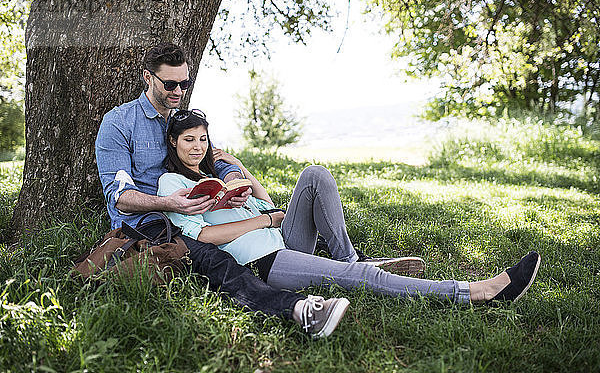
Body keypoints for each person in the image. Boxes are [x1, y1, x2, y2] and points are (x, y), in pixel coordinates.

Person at [95, 42, 350, 338]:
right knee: (217, 262)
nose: (178, 91)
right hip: (151, 225)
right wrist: (168, 203)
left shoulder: (182, 119)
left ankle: (344, 261)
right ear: (147, 78)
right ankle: (300, 310)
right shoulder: (119, 122)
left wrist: (232, 183)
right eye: (170, 84)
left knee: (279, 225)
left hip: (194, 210)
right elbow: (120, 197)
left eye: (184, 83)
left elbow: (215, 158)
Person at [158, 110, 542, 305]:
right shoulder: (171, 184)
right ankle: (476, 292)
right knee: (369, 281)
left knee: (315, 174)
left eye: (203, 139)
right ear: (173, 143)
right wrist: (264, 218)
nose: (197, 147)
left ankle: (349, 258)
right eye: (188, 139)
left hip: (282, 239)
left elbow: (272, 206)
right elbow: (206, 236)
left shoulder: (221, 173)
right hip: (266, 261)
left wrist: (242, 172)